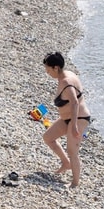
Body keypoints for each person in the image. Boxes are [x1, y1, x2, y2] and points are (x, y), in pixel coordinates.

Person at [41, 52, 91, 188]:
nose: (47, 72)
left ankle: (75, 183)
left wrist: (74, 125)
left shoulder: (66, 82)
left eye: (48, 69)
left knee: (72, 151)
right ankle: (66, 163)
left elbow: (74, 103)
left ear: (56, 68)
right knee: (48, 137)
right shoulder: (66, 74)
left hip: (79, 119)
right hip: (67, 118)